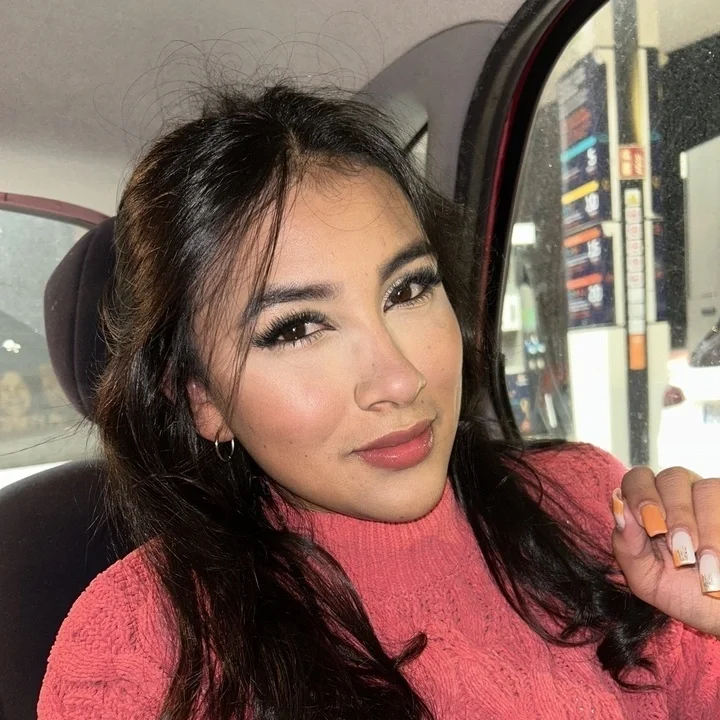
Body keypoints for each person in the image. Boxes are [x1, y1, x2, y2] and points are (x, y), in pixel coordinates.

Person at [38, 85, 720, 720]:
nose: (400, 379)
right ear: (201, 398)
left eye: (409, 289)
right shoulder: (136, 652)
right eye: (296, 328)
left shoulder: (588, 504)